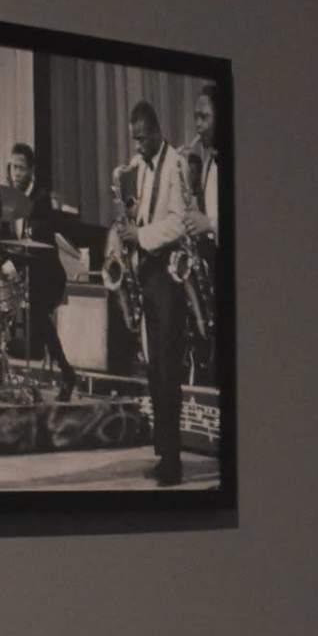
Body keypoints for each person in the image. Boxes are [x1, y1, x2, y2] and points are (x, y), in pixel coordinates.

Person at [113, 96, 217, 484]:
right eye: (134, 139)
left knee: (168, 369)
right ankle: (163, 451)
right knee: (154, 369)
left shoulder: (175, 164)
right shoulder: (137, 166)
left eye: (142, 138)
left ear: (156, 131)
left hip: (169, 275)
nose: (138, 146)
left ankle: (173, 462)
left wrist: (139, 235)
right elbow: (137, 212)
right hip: (145, 272)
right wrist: (126, 230)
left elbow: (177, 222)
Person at [0, 141, 95, 372]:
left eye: (21, 168)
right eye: (13, 167)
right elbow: (6, 239)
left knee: (37, 310)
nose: (16, 173)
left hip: (48, 276)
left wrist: (14, 264)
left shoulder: (41, 200)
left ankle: (64, 369)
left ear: (31, 170)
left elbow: (36, 244)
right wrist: (1, 263)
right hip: (23, 276)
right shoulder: (9, 200)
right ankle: (0, 362)